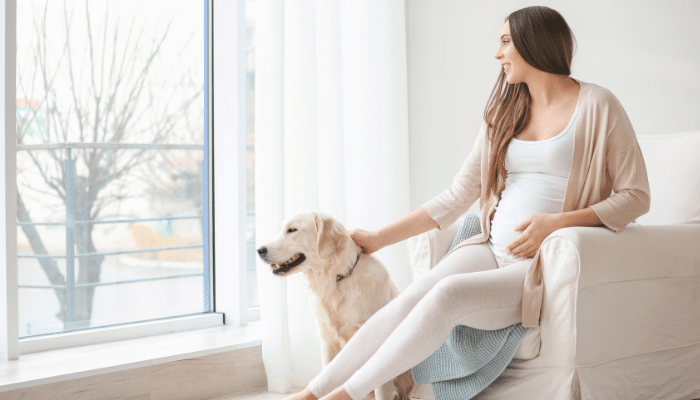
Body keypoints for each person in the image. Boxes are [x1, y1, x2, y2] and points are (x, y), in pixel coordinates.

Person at [285, 5, 650, 400]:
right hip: (491, 249)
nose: (498, 54)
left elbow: (636, 196)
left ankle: (346, 395)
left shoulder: (598, 105)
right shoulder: (503, 111)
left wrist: (556, 224)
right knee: (412, 296)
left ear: (535, 43)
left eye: (506, 42)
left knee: (446, 295)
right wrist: (377, 238)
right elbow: (458, 194)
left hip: (536, 266)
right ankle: (310, 394)